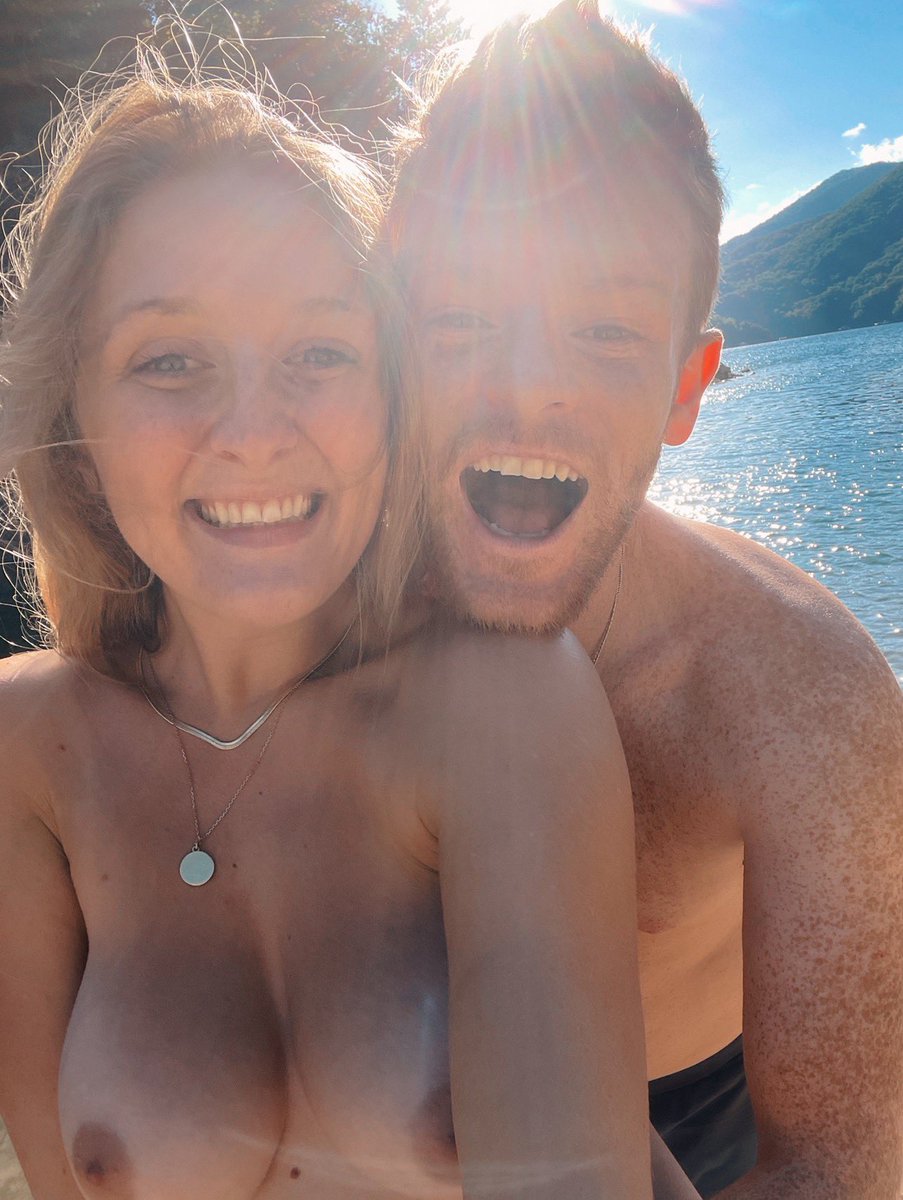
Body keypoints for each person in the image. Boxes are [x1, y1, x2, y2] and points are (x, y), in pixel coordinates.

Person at [0, 44, 703, 1200]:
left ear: (390, 394)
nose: (254, 432)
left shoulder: (498, 703)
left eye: (321, 351)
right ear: (72, 421)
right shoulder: (30, 751)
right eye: (169, 360)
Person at [388, 2, 903, 1197]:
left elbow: (840, 1163)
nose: (528, 391)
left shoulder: (801, 700)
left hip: (691, 1122)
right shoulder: (293, 627)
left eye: (606, 331)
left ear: (687, 388)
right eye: (460, 319)